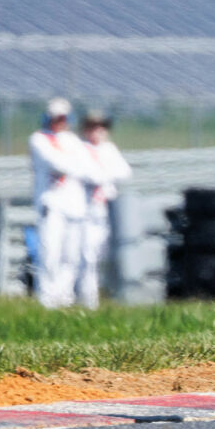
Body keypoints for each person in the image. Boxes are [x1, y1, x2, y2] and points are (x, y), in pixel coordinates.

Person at [28, 97, 92, 308]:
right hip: (52, 204)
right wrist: (74, 164)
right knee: (50, 254)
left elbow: (88, 168)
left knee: (71, 255)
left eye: (63, 117)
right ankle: (47, 298)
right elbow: (55, 163)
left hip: (74, 205)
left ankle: (64, 297)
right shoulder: (39, 139)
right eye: (56, 117)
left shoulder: (72, 141)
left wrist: (73, 165)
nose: (59, 121)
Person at [77, 109, 129, 309]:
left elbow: (124, 172)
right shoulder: (81, 149)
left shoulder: (109, 149)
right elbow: (89, 175)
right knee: (88, 256)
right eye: (92, 127)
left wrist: (104, 174)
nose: (97, 131)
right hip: (87, 210)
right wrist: (105, 174)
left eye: (101, 127)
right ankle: (88, 300)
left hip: (108, 209)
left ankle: (107, 295)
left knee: (106, 255)